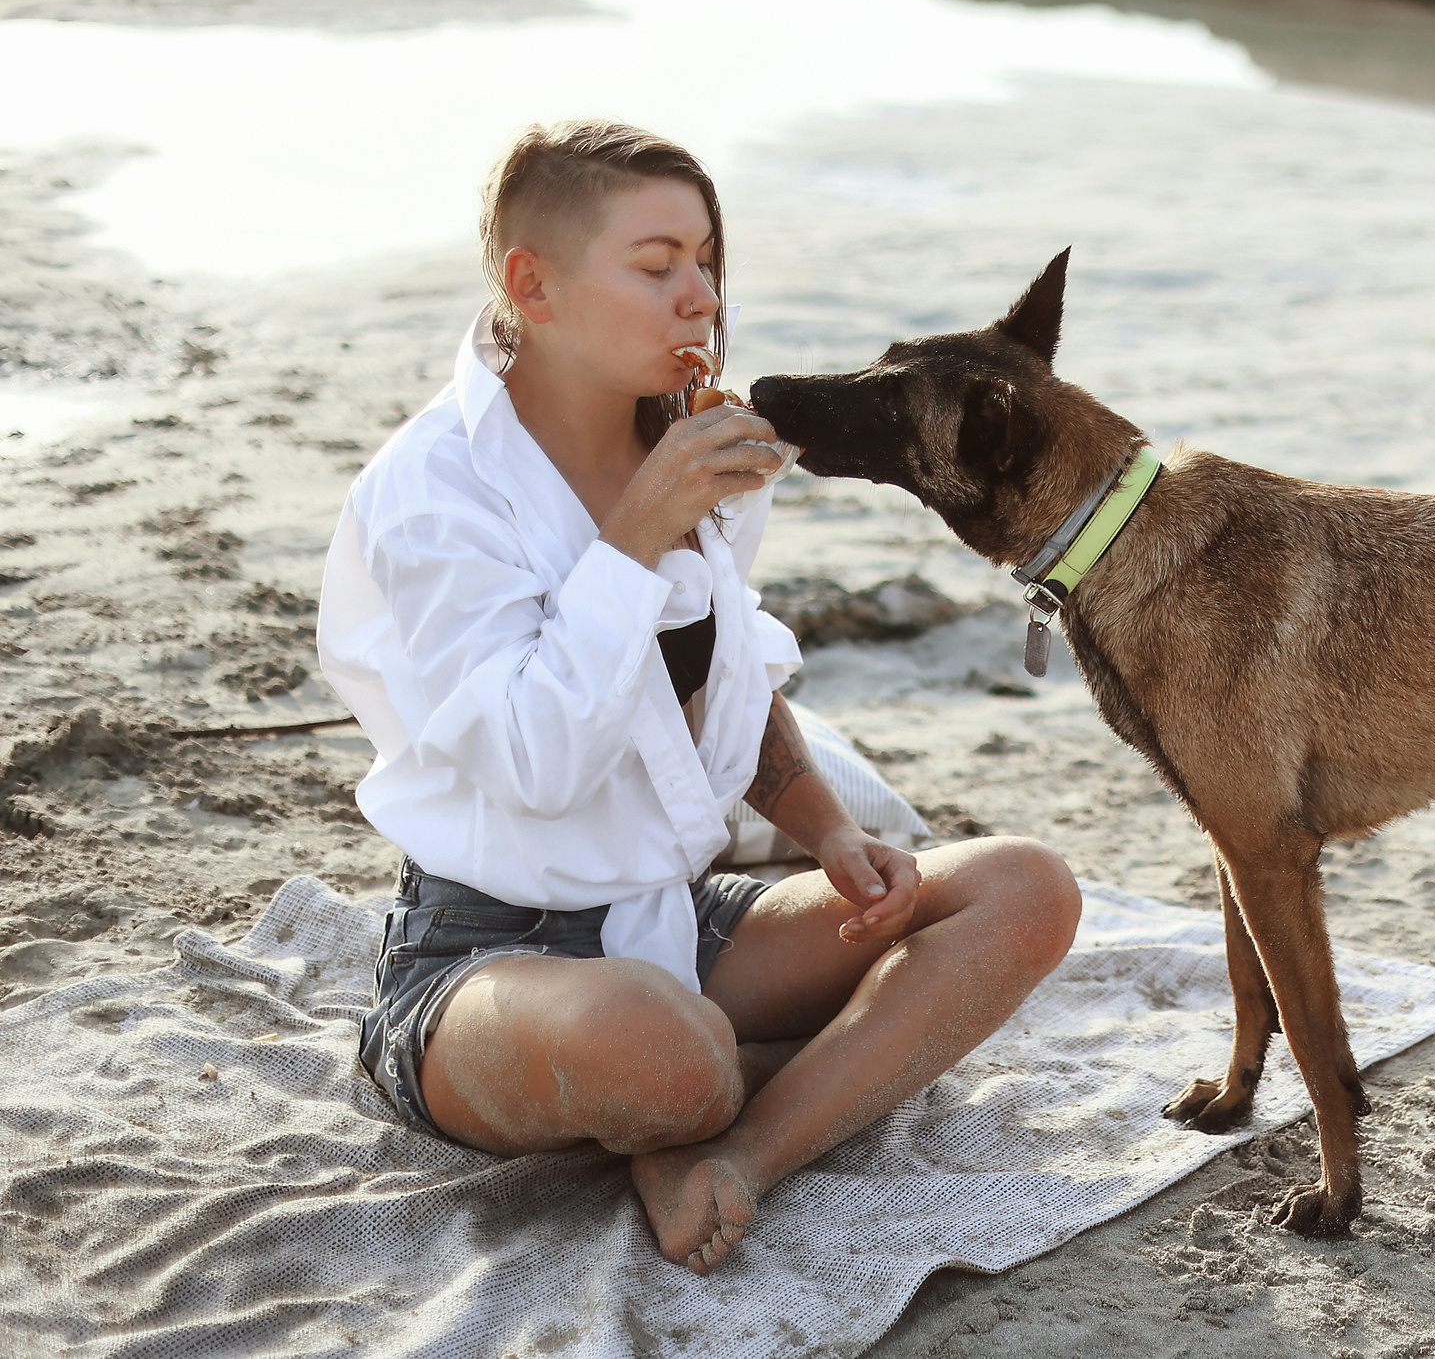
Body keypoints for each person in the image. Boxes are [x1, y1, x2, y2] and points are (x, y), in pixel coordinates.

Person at [317, 121, 1082, 1275]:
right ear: (535, 283)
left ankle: (735, 1150)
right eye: (658, 261)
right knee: (661, 1054)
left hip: (677, 919)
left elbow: (729, 672)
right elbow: (536, 764)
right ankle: (786, 1072)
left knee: (1023, 890)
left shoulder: (688, 443)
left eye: (709, 260)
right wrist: (632, 539)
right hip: (487, 958)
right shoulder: (432, 496)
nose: (702, 297)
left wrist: (828, 831)